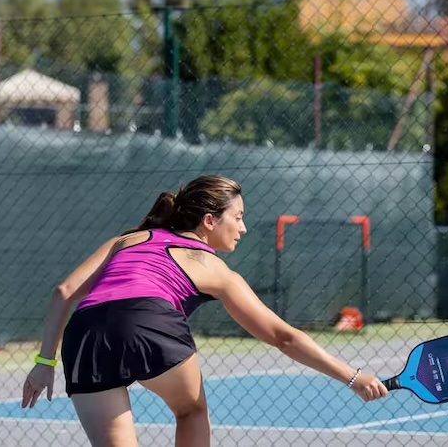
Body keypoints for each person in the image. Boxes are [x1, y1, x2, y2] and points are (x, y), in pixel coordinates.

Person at [21, 174, 387, 447]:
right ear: (209, 221)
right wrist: (352, 377)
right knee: (192, 412)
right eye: (237, 217)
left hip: (84, 336)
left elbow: (64, 292)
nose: (242, 227)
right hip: (150, 322)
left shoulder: (129, 238)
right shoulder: (213, 268)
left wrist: (44, 363)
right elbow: (283, 337)